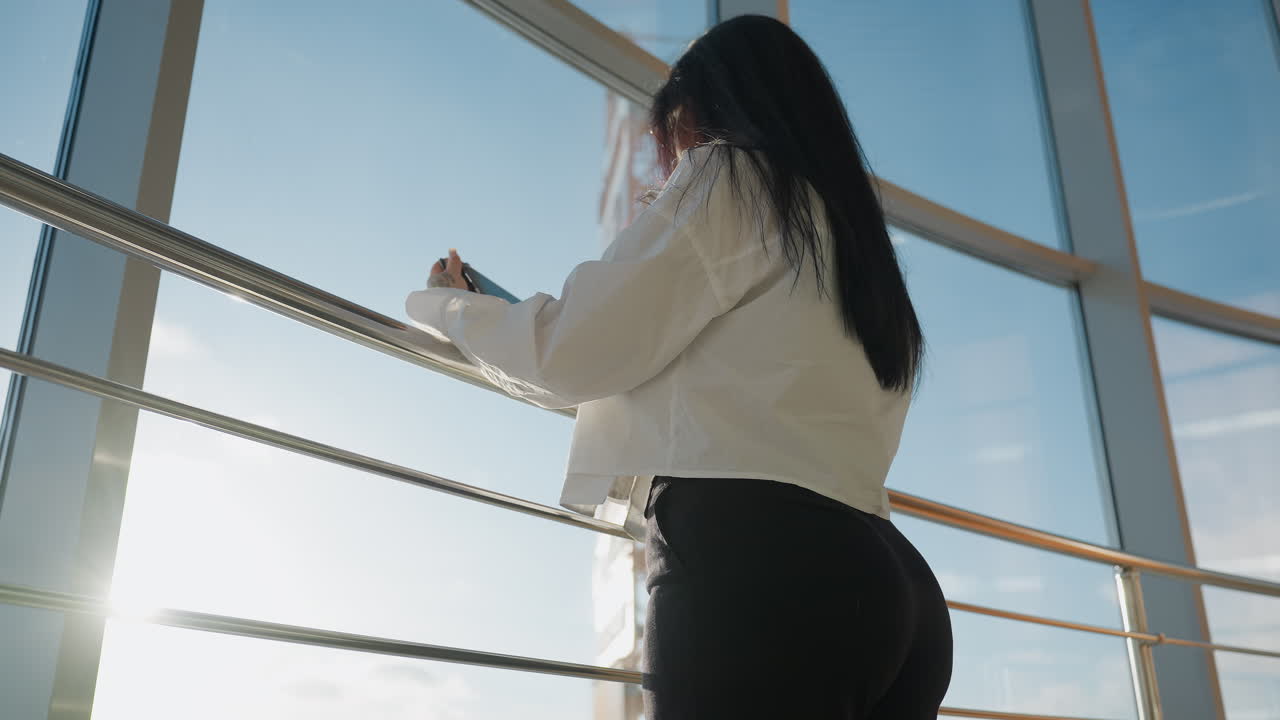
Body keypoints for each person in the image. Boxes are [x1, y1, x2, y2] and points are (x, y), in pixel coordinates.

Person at [405, 14, 952, 720]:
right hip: (892, 585)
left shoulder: (733, 176)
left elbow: (575, 349)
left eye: (675, 136)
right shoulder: (855, 247)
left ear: (711, 109)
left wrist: (453, 309)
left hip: (756, 569)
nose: (674, 163)